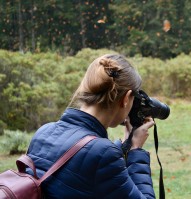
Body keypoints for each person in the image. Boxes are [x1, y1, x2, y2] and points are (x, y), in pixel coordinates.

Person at [26, 54, 156, 198]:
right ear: (126, 99)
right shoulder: (104, 153)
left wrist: (124, 145)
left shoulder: (44, 132)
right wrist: (135, 150)